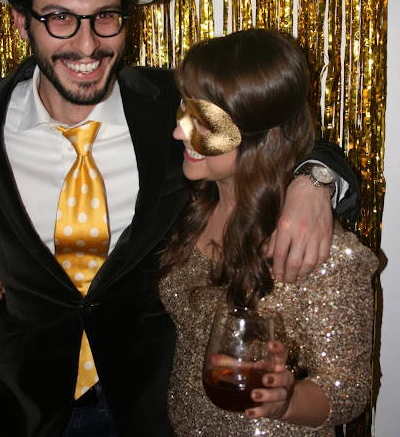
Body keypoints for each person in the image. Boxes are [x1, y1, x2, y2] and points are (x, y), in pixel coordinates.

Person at [0, 0, 360, 437]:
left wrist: (315, 181)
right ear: (21, 20)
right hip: (19, 409)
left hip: (152, 411)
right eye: (60, 17)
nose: (87, 44)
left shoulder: (171, 110)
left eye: (105, 16)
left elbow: (277, 129)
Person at [158, 28, 378, 436]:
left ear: (258, 136)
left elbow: (348, 390)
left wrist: (287, 401)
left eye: (203, 124)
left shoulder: (319, 247)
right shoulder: (188, 206)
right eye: (183, 111)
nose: (178, 133)